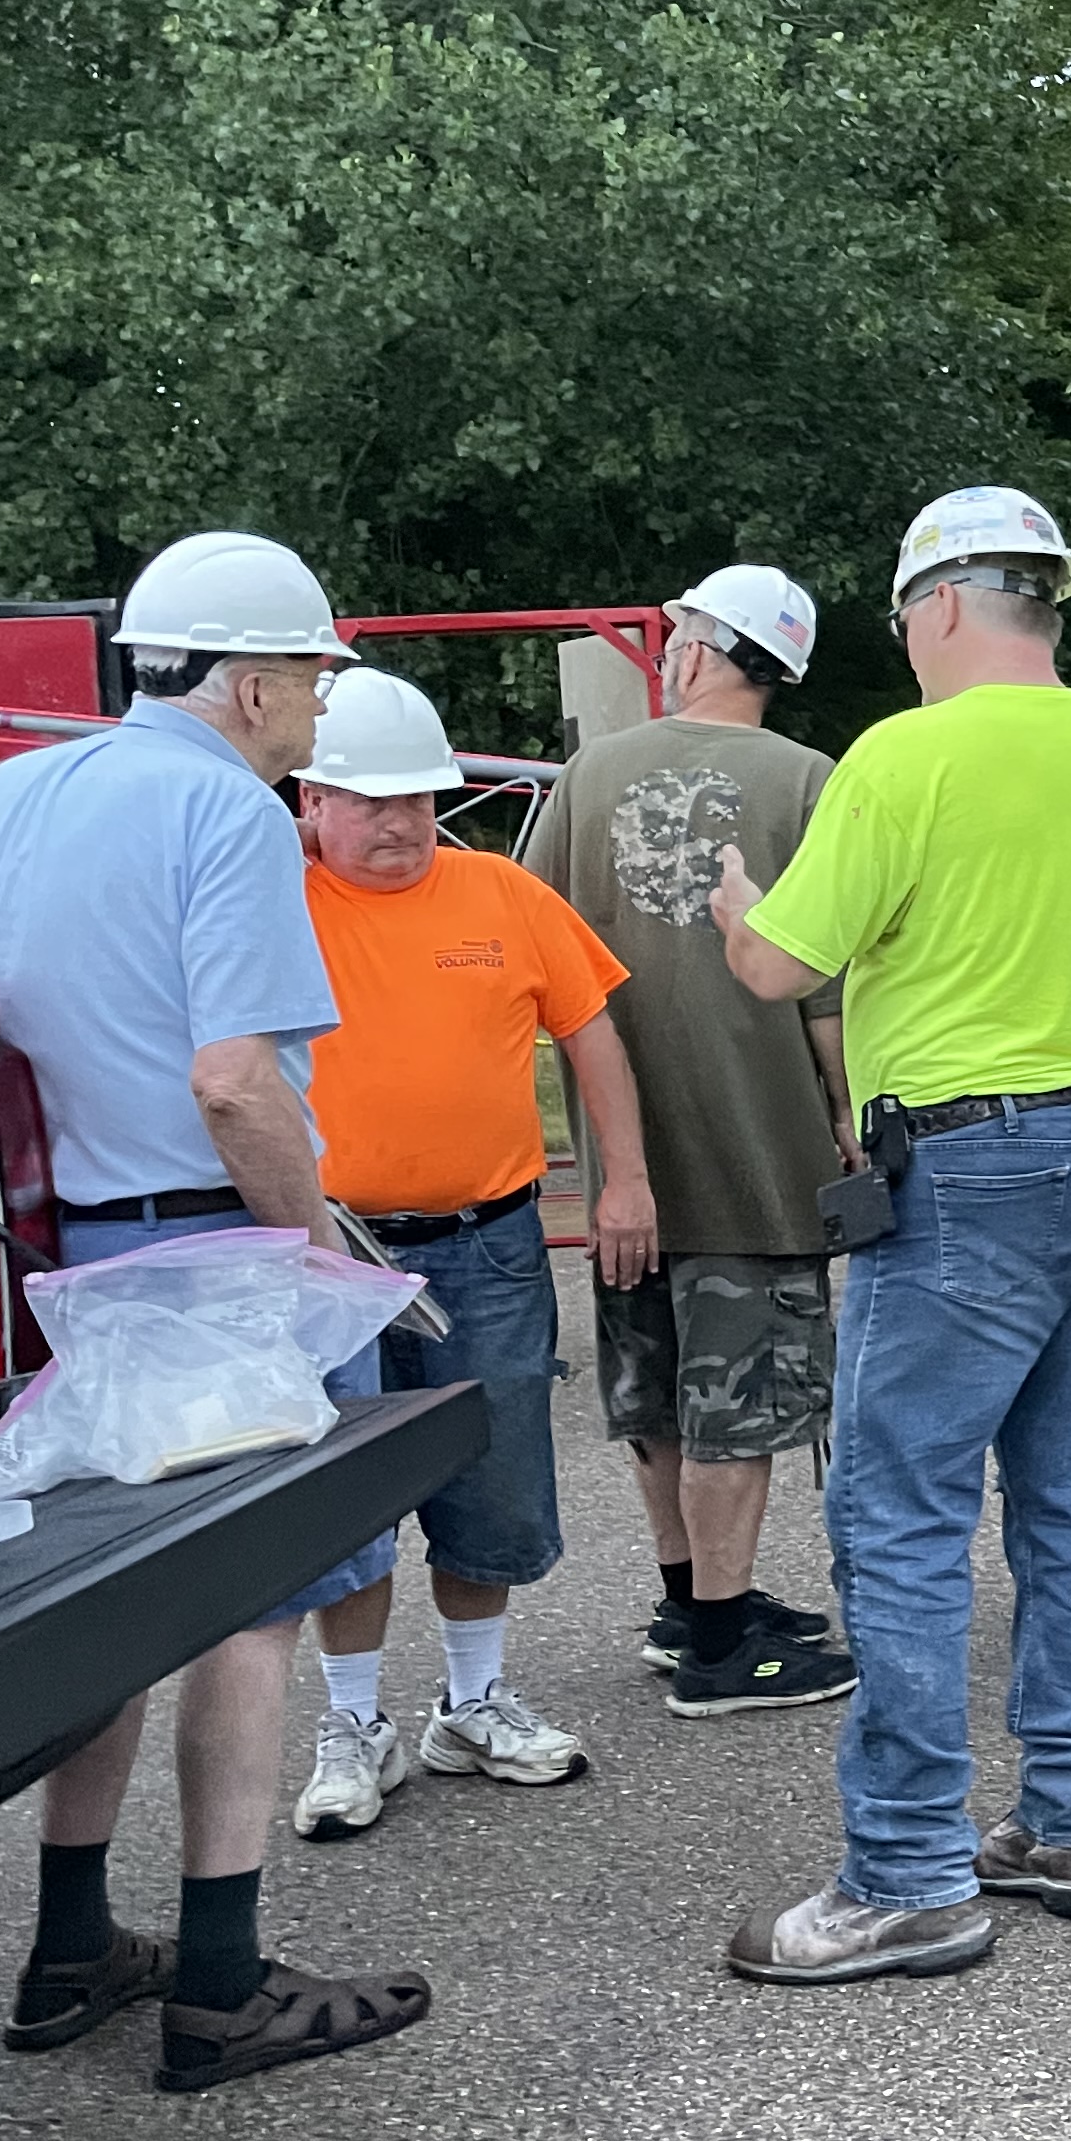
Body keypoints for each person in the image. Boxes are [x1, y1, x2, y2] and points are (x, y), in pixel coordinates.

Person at [0, 530, 431, 2093]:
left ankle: (70, 1942)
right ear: (253, 679)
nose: (316, 717)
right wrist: (328, 1260)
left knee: (108, 1612)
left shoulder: (15, 790)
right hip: (202, 1254)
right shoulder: (223, 805)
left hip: (42, 1253)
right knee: (251, 1610)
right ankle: (222, 1975)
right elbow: (233, 1080)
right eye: (314, 684)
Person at [712, 485, 1071, 1985]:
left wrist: (736, 906)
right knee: (1067, 1495)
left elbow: (785, 968)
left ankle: (910, 1870)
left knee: (899, 1519)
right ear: (1046, 605)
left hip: (972, 1165)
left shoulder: (901, 758)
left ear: (937, 608)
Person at [283, 667, 643, 1837]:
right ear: (312, 798)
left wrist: (626, 1181)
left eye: (419, 800)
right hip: (331, 1257)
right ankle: (353, 1724)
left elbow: (592, 1031)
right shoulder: (273, 899)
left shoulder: (500, 892)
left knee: (490, 1482)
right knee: (347, 1495)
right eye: (367, 801)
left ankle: (473, 1701)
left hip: (487, 1244)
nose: (397, 824)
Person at [522, 565, 860, 1717]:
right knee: (746, 1402)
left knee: (657, 1390)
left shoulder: (586, 779)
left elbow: (537, 952)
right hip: (761, 1154)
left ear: (705, 649)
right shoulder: (810, 782)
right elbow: (823, 987)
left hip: (629, 1165)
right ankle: (725, 1646)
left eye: (676, 635)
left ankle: (689, 1602)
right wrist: (849, 1114)